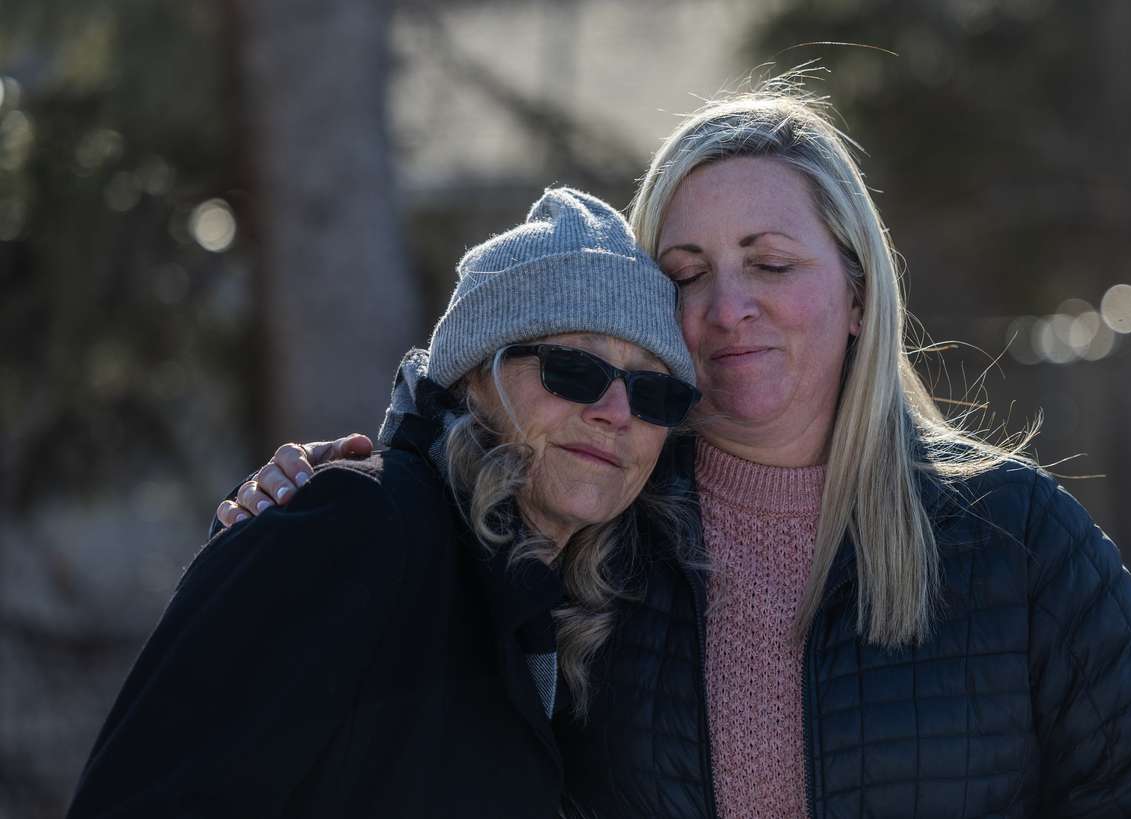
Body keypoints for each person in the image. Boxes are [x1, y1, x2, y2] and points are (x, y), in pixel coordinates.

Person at [213, 84, 1131, 817]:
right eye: (685, 272)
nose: (726, 307)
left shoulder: (1015, 537)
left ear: (858, 295)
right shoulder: (590, 522)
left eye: (770, 263)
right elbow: (432, 514)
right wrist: (324, 490)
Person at [66, 188, 701, 818]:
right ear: (474, 375)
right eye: (574, 369)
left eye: (653, 391)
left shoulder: (565, 616)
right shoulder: (356, 530)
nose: (615, 413)